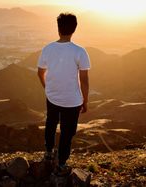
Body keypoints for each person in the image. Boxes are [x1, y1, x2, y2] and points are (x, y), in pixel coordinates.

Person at [37, 12, 90, 175]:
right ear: (74, 29)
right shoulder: (80, 52)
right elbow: (84, 81)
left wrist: (47, 87)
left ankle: (48, 152)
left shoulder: (48, 48)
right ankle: (61, 163)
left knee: (51, 123)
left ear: (58, 28)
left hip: (52, 96)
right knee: (67, 132)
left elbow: (40, 72)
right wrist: (85, 101)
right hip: (72, 101)